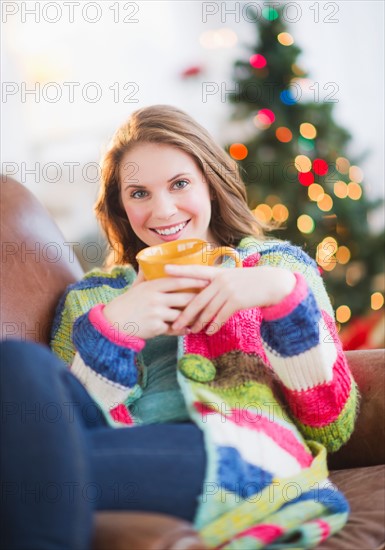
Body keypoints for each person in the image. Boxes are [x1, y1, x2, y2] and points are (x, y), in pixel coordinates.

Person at [1, 105, 359, 549]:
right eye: (139, 193)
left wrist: (285, 300)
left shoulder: (275, 268)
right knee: (15, 361)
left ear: (210, 183)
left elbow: (332, 427)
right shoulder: (92, 297)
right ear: (120, 205)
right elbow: (64, 425)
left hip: (243, 454)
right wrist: (115, 331)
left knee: (26, 477)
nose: (162, 209)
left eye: (180, 184)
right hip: (116, 449)